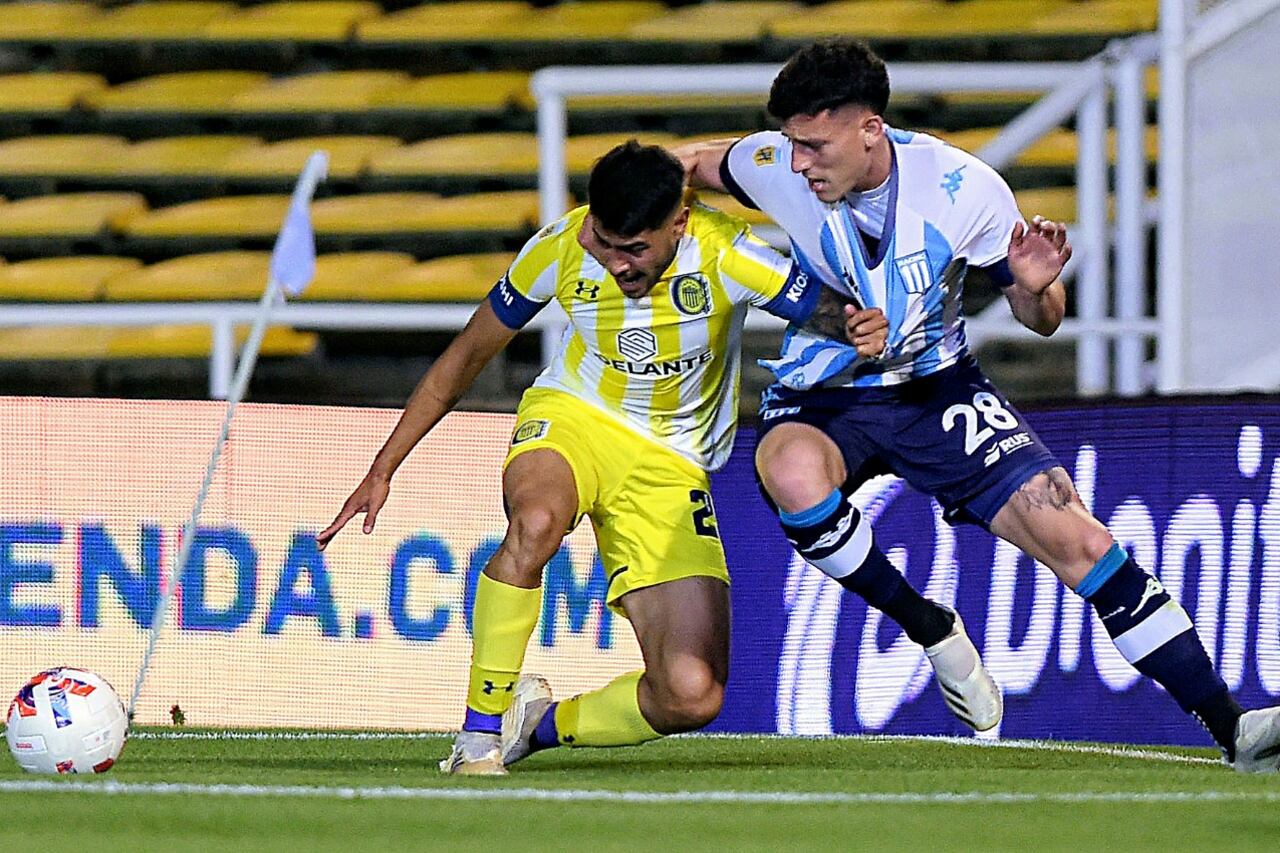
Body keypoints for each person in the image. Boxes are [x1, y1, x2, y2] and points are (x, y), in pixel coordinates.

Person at [675, 37, 1280, 770]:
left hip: (938, 391)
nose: (798, 161)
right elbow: (685, 166)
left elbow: (1044, 319)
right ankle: (930, 627)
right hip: (824, 393)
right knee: (791, 471)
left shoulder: (964, 189)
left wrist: (1033, 285)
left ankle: (1234, 726)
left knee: (1081, 541)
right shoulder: (772, 167)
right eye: (792, 144)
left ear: (870, 129)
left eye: (813, 144)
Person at [317, 141, 885, 774]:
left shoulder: (727, 253)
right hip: (575, 418)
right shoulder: (563, 246)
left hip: (671, 461)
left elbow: (828, 310)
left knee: (692, 695)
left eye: (634, 249)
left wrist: (861, 326)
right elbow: (465, 357)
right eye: (604, 241)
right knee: (533, 523)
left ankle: (534, 727)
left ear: (679, 221)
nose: (616, 263)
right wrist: (382, 469)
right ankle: (478, 736)